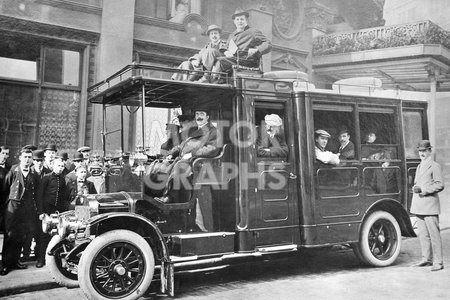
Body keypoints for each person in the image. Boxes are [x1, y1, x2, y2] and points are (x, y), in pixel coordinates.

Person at [156, 109, 221, 203]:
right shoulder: (195, 130)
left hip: (201, 164)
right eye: (197, 114)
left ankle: (170, 197)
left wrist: (192, 154)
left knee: (180, 167)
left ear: (207, 117)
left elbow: (211, 149)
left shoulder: (213, 131)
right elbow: (181, 146)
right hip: (187, 161)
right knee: (160, 166)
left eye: (202, 114)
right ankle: (157, 194)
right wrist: (171, 154)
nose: (199, 116)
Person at [1, 149, 40, 275]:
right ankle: (5, 264)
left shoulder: (33, 174)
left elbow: (36, 193)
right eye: (25, 157)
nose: (27, 159)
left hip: (25, 209)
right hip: (12, 207)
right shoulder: (13, 171)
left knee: (20, 235)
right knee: (10, 235)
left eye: (29, 157)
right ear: (20, 158)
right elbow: (4, 190)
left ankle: (15, 261)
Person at [410, 140, 445, 271]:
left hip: (429, 206)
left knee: (434, 236)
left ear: (430, 151)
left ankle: (438, 262)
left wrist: (423, 190)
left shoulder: (434, 166)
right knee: (423, 235)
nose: (422, 153)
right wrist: (415, 188)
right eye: (420, 151)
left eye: (424, 151)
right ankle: (427, 259)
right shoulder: (420, 166)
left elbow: (440, 184)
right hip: (419, 205)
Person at [211, 8, 272, 81]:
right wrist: (226, 51)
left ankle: (213, 82)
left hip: (247, 61)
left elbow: (268, 44)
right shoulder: (232, 35)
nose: (239, 21)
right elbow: (225, 47)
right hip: (234, 59)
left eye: (242, 19)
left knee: (220, 61)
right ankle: (213, 80)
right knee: (213, 57)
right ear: (234, 21)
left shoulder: (253, 31)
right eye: (237, 19)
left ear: (246, 20)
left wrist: (257, 50)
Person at [37, 157, 70, 268]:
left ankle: (54, 261)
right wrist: (41, 212)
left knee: (57, 235)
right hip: (47, 211)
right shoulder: (46, 178)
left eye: (62, 166)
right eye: (58, 166)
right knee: (43, 236)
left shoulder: (62, 179)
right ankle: (41, 260)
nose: (60, 168)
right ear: (53, 166)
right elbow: (39, 196)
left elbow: (64, 197)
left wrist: (63, 213)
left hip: (58, 212)